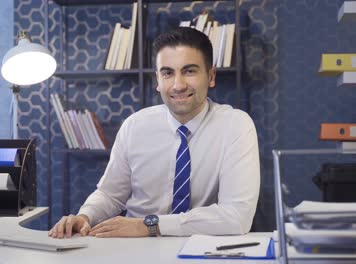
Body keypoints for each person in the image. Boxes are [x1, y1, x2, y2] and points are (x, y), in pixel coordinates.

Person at [49, 27, 260, 238]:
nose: (178, 85)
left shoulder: (236, 126)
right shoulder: (134, 126)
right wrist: (85, 216)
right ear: (157, 80)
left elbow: (237, 216)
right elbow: (110, 194)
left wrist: (150, 225)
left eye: (189, 71)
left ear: (211, 76)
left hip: (200, 249)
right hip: (135, 249)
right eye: (168, 73)